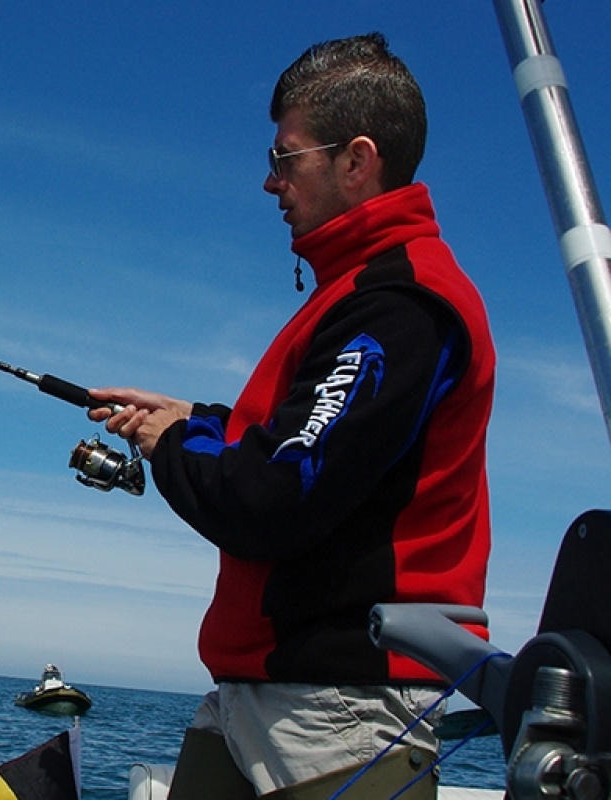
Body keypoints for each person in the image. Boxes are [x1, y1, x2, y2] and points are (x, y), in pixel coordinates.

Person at [89, 33, 494, 799]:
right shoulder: (354, 297)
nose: (270, 183)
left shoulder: (399, 307)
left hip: (337, 708)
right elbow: (292, 444)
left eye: (285, 159)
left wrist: (171, 440)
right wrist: (193, 419)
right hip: (254, 694)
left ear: (356, 160)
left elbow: (273, 499)